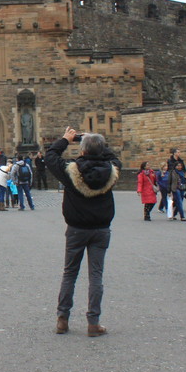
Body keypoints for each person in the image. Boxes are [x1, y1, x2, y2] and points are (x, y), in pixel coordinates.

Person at [46, 127, 121, 337]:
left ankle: (62, 319)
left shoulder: (70, 171)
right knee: (96, 275)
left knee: (70, 273)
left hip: (76, 229)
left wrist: (65, 139)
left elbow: (50, 157)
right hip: (100, 229)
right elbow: (113, 157)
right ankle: (93, 323)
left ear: (82, 151)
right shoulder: (112, 170)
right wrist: (96, 142)